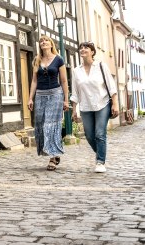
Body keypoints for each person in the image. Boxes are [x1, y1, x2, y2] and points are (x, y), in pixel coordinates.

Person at [70, 41, 119, 173]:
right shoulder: (76, 71)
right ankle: (100, 153)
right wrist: (74, 109)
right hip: (85, 106)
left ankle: (100, 161)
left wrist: (115, 103)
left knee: (99, 133)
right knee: (89, 135)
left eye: (86, 47)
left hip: (102, 104)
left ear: (92, 52)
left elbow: (111, 86)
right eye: (81, 48)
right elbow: (75, 92)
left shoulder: (101, 66)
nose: (83, 49)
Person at [28, 35, 69, 171]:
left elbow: (63, 81)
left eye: (46, 40)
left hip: (55, 95)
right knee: (40, 124)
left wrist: (66, 99)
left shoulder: (59, 60)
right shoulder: (37, 60)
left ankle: (52, 157)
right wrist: (30, 98)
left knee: (50, 124)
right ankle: (55, 152)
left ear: (51, 44)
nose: (43, 42)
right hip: (40, 95)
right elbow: (34, 81)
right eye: (41, 41)